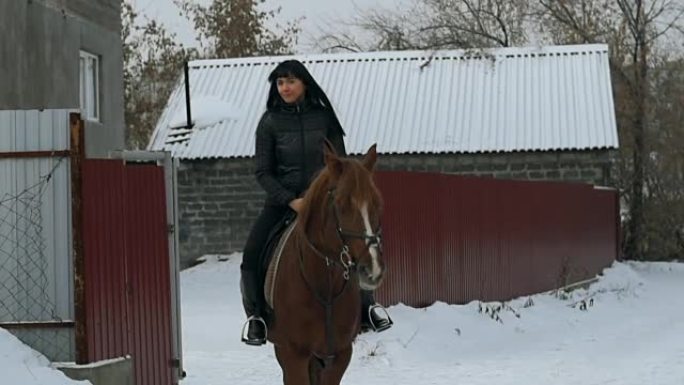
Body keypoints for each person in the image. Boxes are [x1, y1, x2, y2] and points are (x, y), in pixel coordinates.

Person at [240, 59, 392, 346]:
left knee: (358, 240)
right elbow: (263, 172)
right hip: (283, 203)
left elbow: (342, 166)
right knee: (252, 254)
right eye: (280, 82)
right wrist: (290, 200)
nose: (284, 87)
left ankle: (368, 306)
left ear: (304, 83)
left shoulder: (324, 119)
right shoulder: (269, 122)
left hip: (325, 203)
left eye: (290, 81)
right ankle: (257, 317)